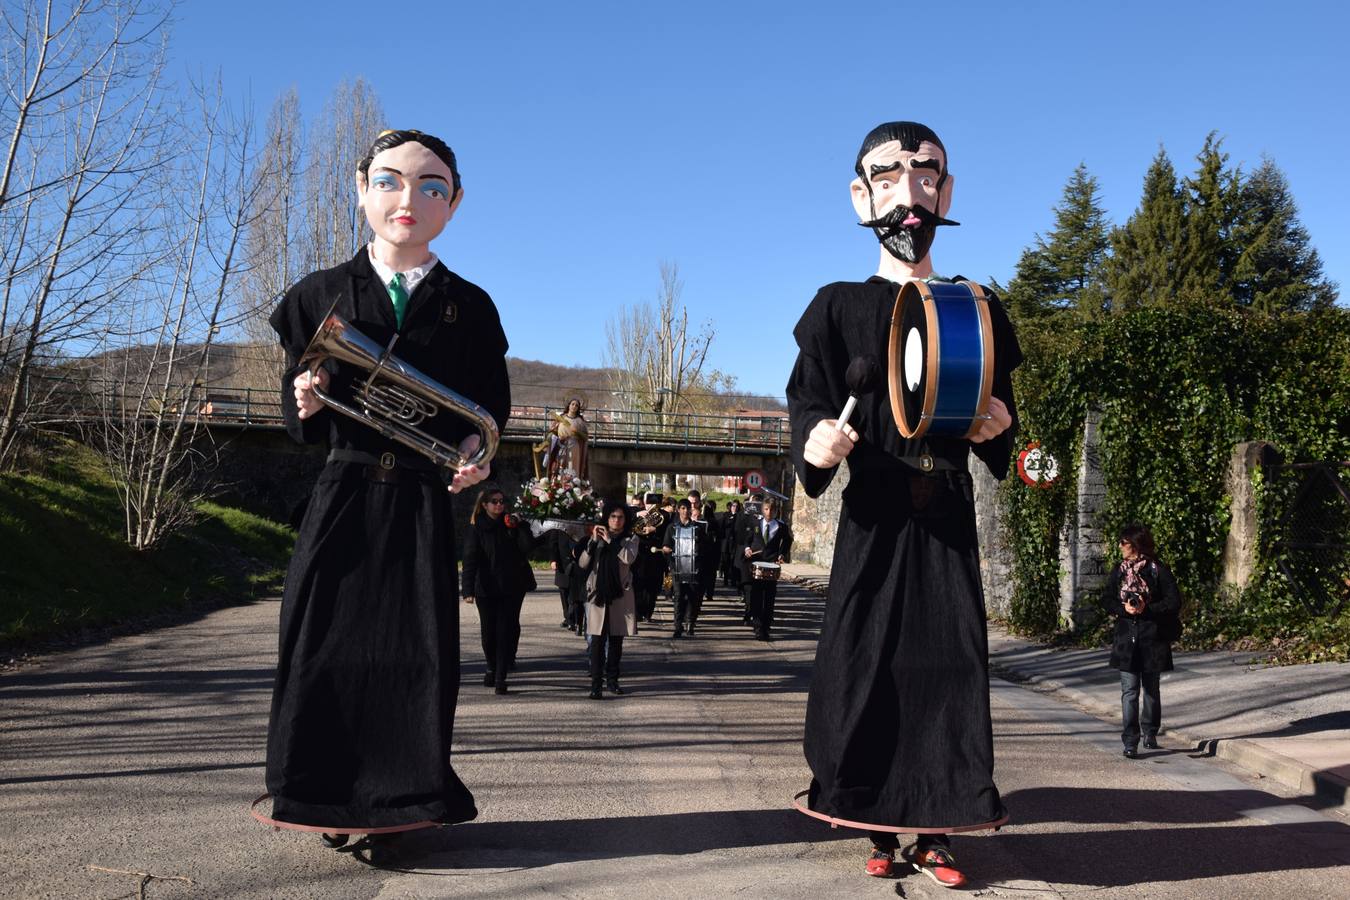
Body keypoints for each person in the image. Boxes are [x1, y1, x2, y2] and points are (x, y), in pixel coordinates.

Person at [786, 121, 1020, 887]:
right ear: (861, 197)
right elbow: (807, 405)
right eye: (888, 176)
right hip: (874, 516)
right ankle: (874, 815)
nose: (910, 190)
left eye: (926, 175)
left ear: (947, 193)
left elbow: (1006, 434)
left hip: (945, 516)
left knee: (945, 669)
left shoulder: (976, 306)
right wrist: (815, 443)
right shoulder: (836, 306)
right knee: (865, 668)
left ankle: (938, 829)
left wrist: (1001, 432)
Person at [265, 129, 506, 846]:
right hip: (342, 494)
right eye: (392, 181)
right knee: (322, 644)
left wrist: (474, 452)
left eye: (433, 187)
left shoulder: (473, 305)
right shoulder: (317, 294)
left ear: (454, 204)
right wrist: (303, 402)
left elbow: (488, 408)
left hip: (421, 504)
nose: (410, 199)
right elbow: (295, 399)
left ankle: (402, 803)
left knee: (415, 653)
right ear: (362, 187)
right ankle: (321, 796)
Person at [1103, 524, 1181, 758]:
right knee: (1129, 691)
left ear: (1135, 545)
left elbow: (1174, 601)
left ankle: (1150, 732)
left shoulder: (1158, 570)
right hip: (1127, 639)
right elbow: (1106, 599)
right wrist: (1124, 609)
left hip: (1152, 639)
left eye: (1123, 542)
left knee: (1150, 690)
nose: (1119, 546)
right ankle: (1130, 740)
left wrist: (1148, 609)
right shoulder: (1119, 570)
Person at [462, 486, 537, 694]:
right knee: (489, 633)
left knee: (506, 630)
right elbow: (470, 559)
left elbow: (528, 548)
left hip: (512, 586)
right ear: (484, 505)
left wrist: (520, 526)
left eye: (501, 501)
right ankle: (491, 666)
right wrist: (467, 589)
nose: (499, 505)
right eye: (494, 501)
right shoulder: (476, 528)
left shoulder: (511, 524)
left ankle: (500, 677)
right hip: (486, 587)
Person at [580, 500, 639, 699]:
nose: (616, 521)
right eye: (613, 516)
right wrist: (591, 543)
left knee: (616, 641)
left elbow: (628, 558)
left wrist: (611, 542)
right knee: (596, 642)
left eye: (620, 517)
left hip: (619, 595)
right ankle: (595, 685)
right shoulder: (596, 538)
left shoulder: (630, 538)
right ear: (607, 517)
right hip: (598, 595)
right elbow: (582, 563)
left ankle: (612, 681)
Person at [738, 496, 792, 640]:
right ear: (762, 510)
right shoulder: (755, 523)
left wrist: (782, 554)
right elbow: (747, 539)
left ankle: (766, 626)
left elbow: (787, 541)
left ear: (776, 511)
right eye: (766, 509)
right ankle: (757, 626)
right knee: (756, 596)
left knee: (769, 598)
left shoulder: (781, 526)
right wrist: (747, 549)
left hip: (771, 565)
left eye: (772, 510)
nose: (769, 512)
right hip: (755, 564)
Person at [663, 499, 702, 638]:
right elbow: (666, 545)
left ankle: (690, 625)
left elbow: (703, 548)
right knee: (678, 597)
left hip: (693, 568)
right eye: (683, 508)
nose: (685, 511)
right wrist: (667, 553)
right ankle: (678, 627)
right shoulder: (671, 527)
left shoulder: (697, 528)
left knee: (692, 597)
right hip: (677, 568)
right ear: (678, 509)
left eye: (687, 509)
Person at [633, 492, 667, 622]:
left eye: (654, 502)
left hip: (655, 556)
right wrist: (638, 514)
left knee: (653, 587)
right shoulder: (637, 513)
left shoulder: (663, 515)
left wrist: (655, 530)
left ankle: (648, 613)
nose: (651, 505)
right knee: (639, 585)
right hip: (640, 555)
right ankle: (638, 612)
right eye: (648, 502)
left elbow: (667, 527)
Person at [544, 397, 589, 479]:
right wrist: (553, 431)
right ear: (569, 405)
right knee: (559, 465)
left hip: (574, 446)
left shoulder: (580, 421)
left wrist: (577, 432)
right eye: (573, 404)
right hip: (560, 444)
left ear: (578, 408)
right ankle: (557, 485)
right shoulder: (561, 418)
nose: (574, 406)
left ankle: (572, 486)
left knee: (572, 467)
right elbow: (554, 432)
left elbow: (585, 437)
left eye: (576, 405)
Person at [699, 500, 721, 604]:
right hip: (713, 551)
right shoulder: (715, 521)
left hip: (706, 551)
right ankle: (709, 593)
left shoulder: (705, 522)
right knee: (711, 575)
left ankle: (705, 592)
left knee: (705, 574)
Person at [720, 499, 743, 589]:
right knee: (726, 562)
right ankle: (725, 580)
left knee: (734, 562)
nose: (735, 508)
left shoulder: (740, 516)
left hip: (735, 543)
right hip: (726, 543)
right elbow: (723, 527)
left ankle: (733, 580)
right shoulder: (726, 515)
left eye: (737, 506)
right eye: (733, 506)